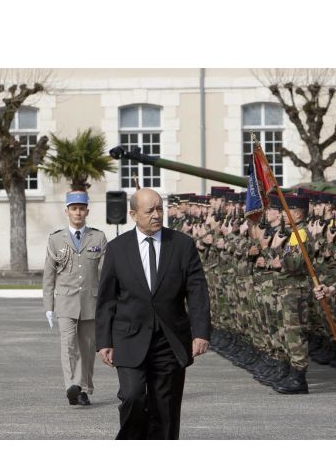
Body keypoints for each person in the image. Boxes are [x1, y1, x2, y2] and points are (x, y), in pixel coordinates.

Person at [95, 188, 211, 440]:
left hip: (169, 339)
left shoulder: (181, 245)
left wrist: (201, 332)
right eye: (149, 211)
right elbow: (106, 299)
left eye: (159, 208)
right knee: (133, 397)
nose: (157, 215)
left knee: (165, 408)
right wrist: (104, 341)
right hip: (129, 337)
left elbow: (197, 291)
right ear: (133, 214)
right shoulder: (117, 249)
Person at [43, 190, 107, 407]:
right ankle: (72, 386)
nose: (77, 212)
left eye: (81, 208)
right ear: (67, 211)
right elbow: (48, 276)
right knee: (68, 344)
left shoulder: (98, 237)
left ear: (87, 211)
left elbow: (105, 274)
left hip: (90, 302)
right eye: (73, 208)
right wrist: (48, 307)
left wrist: (107, 306)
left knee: (87, 348)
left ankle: (85, 389)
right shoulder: (55, 239)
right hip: (65, 303)